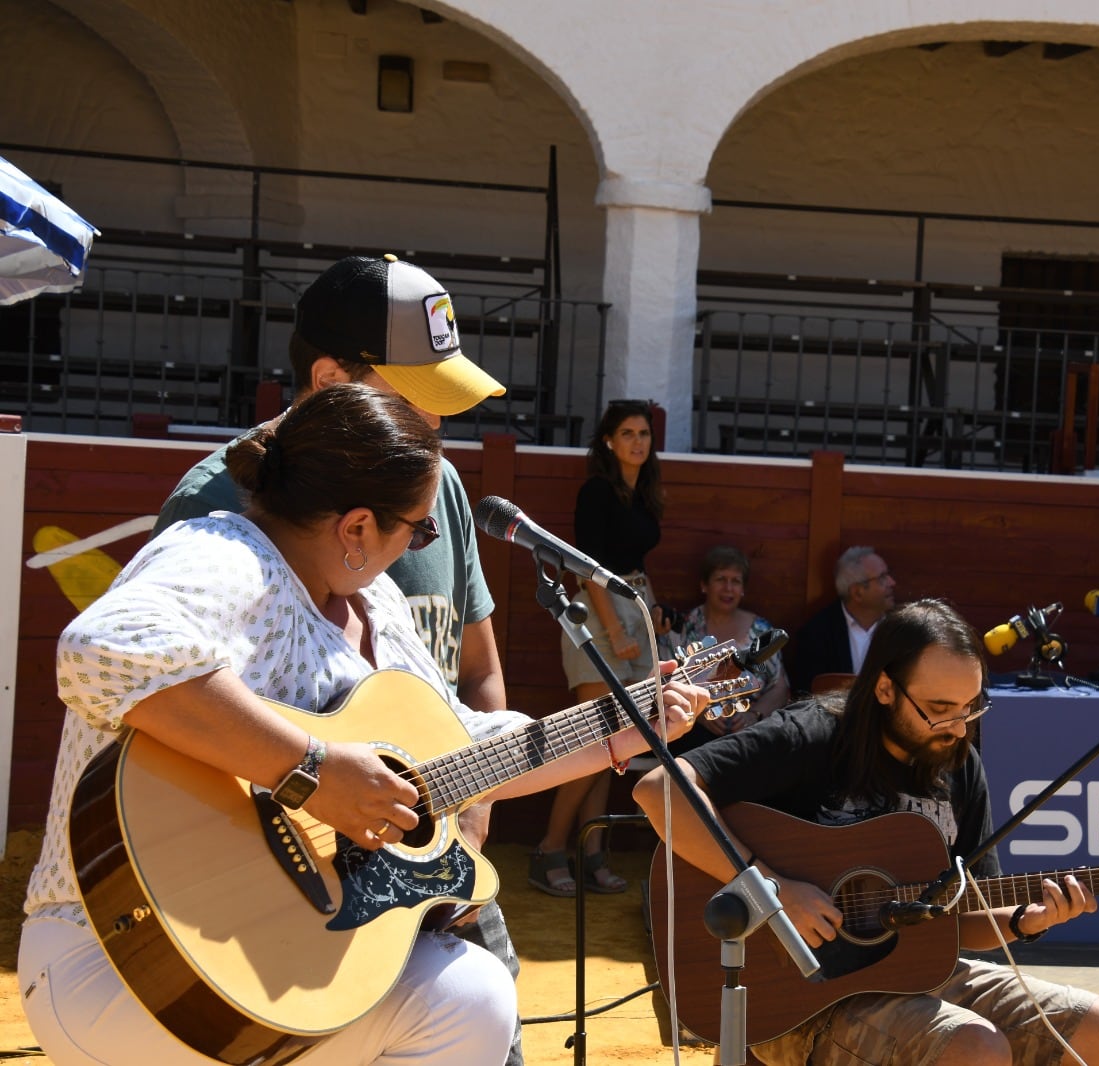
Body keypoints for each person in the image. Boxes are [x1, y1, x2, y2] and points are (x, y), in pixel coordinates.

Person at [20, 385, 708, 1065]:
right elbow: (102, 649)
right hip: (119, 955)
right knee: (466, 1001)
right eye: (420, 527)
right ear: (356, 528)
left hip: (258, 961)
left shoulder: (377, 602)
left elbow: (462, 746)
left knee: (468, 991)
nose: (423, 541)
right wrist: (313, 772)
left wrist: (619, 732)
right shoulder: (224, 553)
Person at [149, 253, 527, 1060]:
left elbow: (478, 668)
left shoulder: (440, 486)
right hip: (295, 890)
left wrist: (477, 803)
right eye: (419, 397)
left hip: (438, 847)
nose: (437, 425)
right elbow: (168, 711)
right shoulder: (216, 503)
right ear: (327, 379)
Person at [635, 599, 1099, 1066]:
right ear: (885, 689)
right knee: (975, 1047)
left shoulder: (959, 762)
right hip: (801, 995)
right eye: (938, 708)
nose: (956, 728)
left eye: (970, 708)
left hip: (915, 976)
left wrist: (1022, 922)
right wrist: (772, 890)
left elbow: (962, 915)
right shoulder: (813, 734)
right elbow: (659, 790)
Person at [531, 399, 665, 897]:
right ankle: (548, 849)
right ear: (608, 441)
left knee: (617, 746)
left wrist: (651, 607)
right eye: (627, 433)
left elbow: (633, 560)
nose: (637, 442)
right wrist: (619, 633)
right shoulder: (596, 492)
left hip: (633, 603)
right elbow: (585, 570)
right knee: (593, 741)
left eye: (644, 434)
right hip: (597, 612)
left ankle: (592, 854)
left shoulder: (643, 491)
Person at [658, 545, 792, 750]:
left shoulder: (762, 630)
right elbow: (665, 683)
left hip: (750, 734)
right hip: (692, 733)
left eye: (735, 581)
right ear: (704, 585)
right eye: (721, 579)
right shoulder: (683, 629)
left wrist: (753, 716)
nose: (728, 588)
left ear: (743, 589)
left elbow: (780, 688)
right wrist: (700, 715)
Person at [785, 545, 896, 696]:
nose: (892, 582)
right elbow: (805, 695)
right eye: (882, 578)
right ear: (857, 593)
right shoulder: (816, 633)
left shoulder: (899, 628)